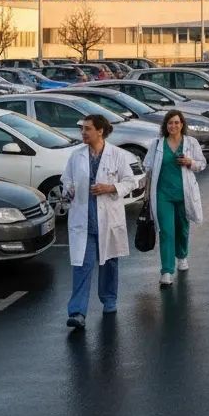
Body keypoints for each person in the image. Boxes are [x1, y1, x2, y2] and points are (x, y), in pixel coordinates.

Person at [63, 114, 138, 330]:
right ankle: (77, 312)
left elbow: (130, 181)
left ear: (100, 131)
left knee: (109, 263)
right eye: (83, 129)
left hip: (108, 218)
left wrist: (110, 188)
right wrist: (69, 189)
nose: (83, 133)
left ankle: (109, 300)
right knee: (82, 266)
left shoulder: (117, 155)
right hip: (83, 220)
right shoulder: (76, 156)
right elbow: (66, 179)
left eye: (88, 129)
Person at [143, 109, 206, 289]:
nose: (173, 126)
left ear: (182, 124)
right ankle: (167, 271)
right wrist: (146, 192)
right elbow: (148, 168)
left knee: (182, 229)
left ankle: (182, 255)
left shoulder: (190, 143)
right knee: (166, 231)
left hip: (184, 194)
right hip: (163, 194)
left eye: (177, 122)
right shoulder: (157, 144)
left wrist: (189, 162)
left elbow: (201, 164)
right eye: (170, 123)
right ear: (166, 125)